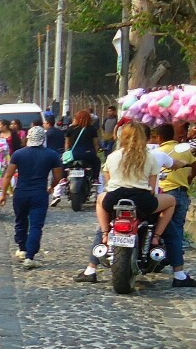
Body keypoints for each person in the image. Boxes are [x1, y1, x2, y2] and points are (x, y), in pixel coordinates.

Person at [75, 122, 177, 283]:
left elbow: (108, 184)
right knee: (171, 201)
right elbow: (151, 188)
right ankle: (156, 237)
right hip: (142, 200)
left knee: (100, 200)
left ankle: (105, 234)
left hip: (115, 198)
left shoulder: (113, 156)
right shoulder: (149, 157)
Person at [0, 126, 62, 269]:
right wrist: (51, 187)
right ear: (43, 139)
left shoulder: (18, 154)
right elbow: (58, 176)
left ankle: (22, 248)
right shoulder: (51, 155)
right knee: (36, 225)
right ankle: (30, 256)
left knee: (20, 221)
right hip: (39, 193)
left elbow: (8, 175)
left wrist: (3, 194)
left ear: (28, 138)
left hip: (21, 193)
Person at [156, 123, 196, 287]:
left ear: (158, 137)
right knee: (177, 230)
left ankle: (165, 259)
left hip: (165, 195)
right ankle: (177, 269)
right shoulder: (185, 150)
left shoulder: (157, 152)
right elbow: (194, 164)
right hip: (181, 193)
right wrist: (190, 178)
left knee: (162, 228)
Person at [65, 109, 100, 187]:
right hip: (88, 155)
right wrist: (95, 153)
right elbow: (95, 144)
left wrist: (67, 152)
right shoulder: (92, 129)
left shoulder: (70, 129)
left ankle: (63, 178)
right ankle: (95, 179)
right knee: (97, 162)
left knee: (63, 162)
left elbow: (67, 143)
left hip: (73, 155)